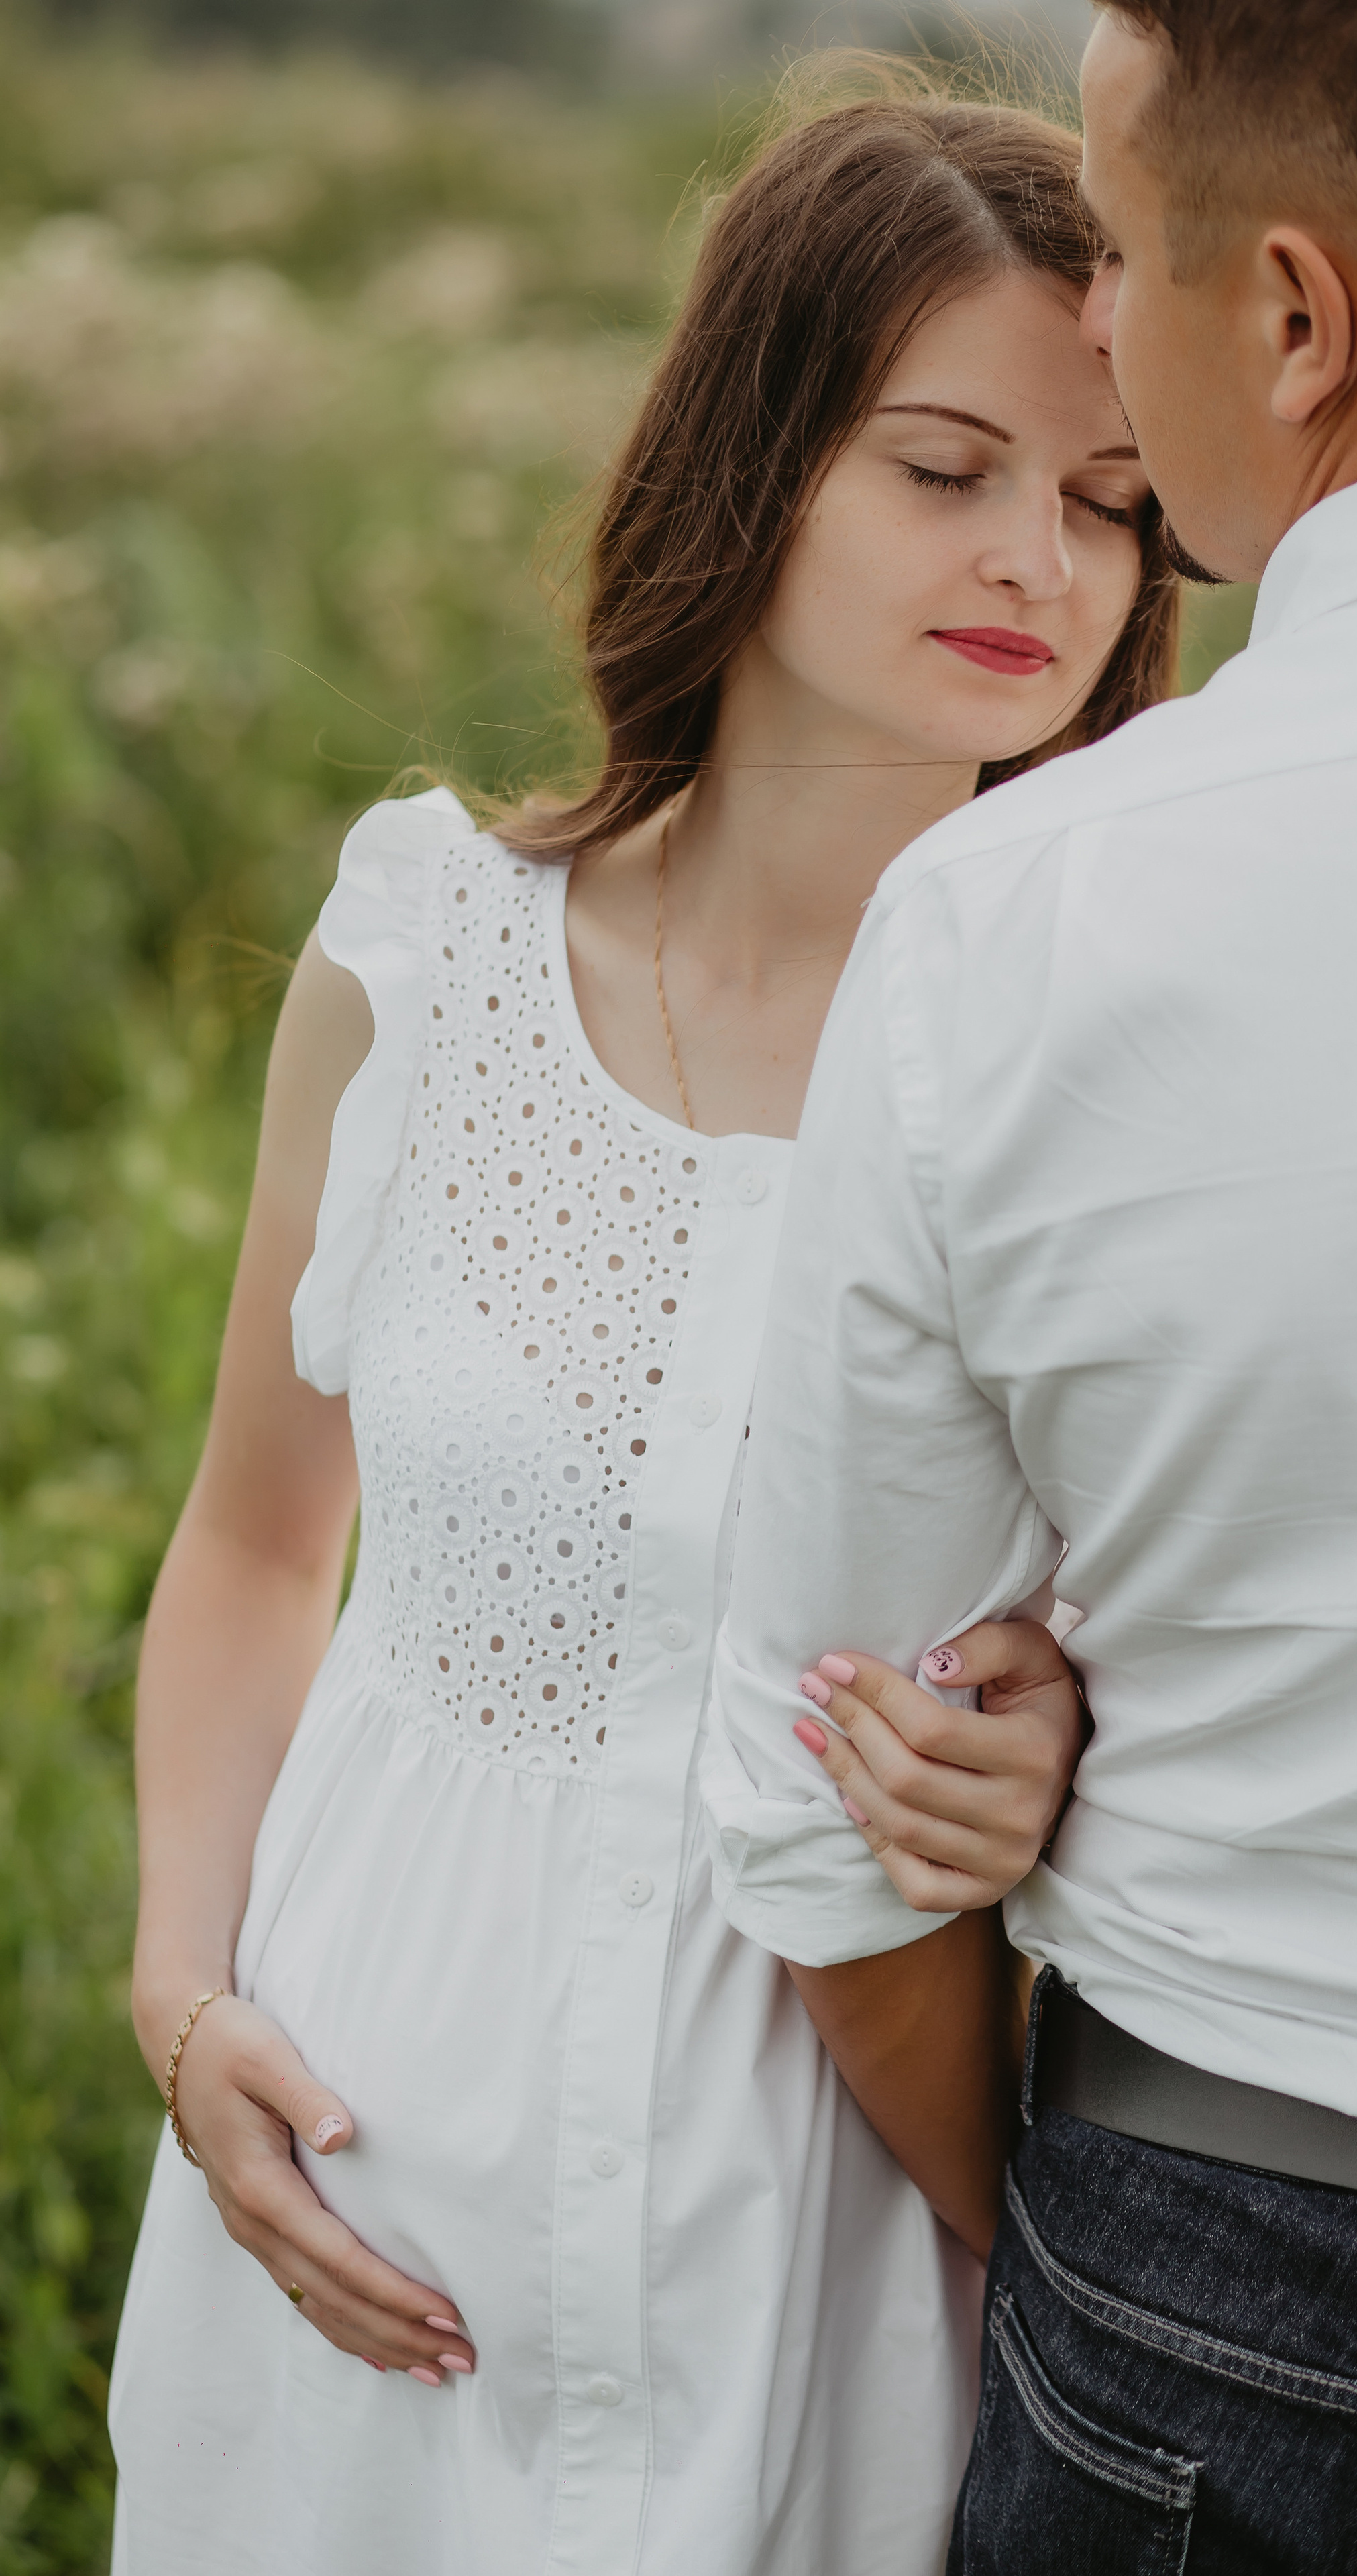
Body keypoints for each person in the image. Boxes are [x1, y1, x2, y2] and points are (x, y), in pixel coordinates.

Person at [107, 72, 1181, 2576]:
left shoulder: (1126, 1067)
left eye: (1119, 501)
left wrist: (1038, 1753)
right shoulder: (422, 955)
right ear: (755, 454)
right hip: (370, 2196)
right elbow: (264, 1549)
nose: (1044, 554)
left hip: (840, 2229)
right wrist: (183, 2005)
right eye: (948, 465)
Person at [706, 4, 1357, 2568]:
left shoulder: (1015, 911)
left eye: (1130, 263)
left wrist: (1034, 2249)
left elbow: (831, 1799)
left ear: (1291, 316)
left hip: (1184, 2255)